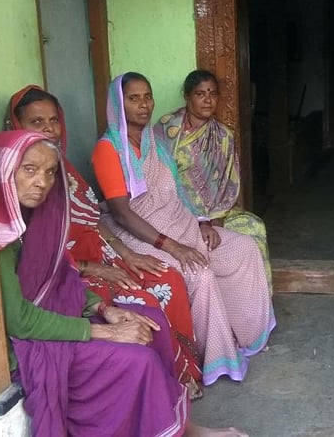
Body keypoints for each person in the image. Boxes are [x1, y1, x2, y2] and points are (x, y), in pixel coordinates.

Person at [0, 129, 246, 437]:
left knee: (152, 324)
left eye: (50, 172)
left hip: (55, 316)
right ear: (2, 171)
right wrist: (106, 331)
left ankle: (179, 427)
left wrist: (104, 308)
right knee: (137, 359)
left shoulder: (34, 220)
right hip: (29, 345)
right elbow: (20, 322)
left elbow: (61, 278)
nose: (42, 182)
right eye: (29, 170)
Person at [5, 85, 203, 399]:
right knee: (146, 301)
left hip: (101, 252)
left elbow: (93, 219)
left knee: (168, 277)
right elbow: (34, 259)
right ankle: (166, 385)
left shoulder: (62, 170)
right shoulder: (21, 182)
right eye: (37, 122)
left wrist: (126, 254)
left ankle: (184, 371)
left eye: (53, 121)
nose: (48, 129)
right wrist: (90, 267)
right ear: (15, 126)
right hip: (70, 272)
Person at [92, 72, 275, 386]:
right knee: (199, 272)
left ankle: (245, 335)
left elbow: (178, 191)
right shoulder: (108, 149)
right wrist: (174, 247)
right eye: (133, 98)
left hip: (180, 224)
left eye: (147, 96)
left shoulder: (156, 141)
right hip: (141, 235)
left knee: (243, 248)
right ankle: (213, 356)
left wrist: (202, 223)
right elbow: (122, 214)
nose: (143, 104)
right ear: (118, 104)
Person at [155, 70, 272, 288]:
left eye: (213, 94)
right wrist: (195, 220)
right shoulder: (166, 128)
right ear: (187, 96)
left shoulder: (223, 135)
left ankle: (255, 307)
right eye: (201, 94)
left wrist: (213, 219)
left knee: (254, 227)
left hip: (215, 212)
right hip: (174, 211)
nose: (208, 100)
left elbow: (229, 183)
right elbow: (156, 176)